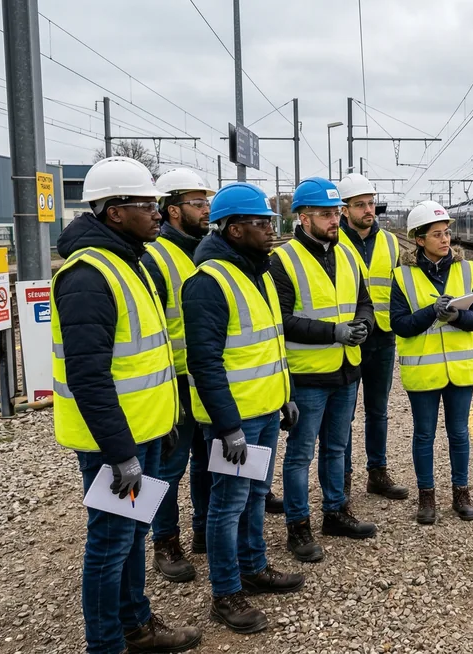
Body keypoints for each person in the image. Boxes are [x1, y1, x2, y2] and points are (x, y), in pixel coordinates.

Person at [51, 156, 201, 653]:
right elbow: (88, 377)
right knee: (110, 544)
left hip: (148, 431)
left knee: (132, 537)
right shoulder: (89, 276)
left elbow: (145, 359)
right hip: (116, 443)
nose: (157, 213)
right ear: (115, 212)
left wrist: (168, 416)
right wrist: (120, 453)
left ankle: (136, 625)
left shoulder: (130, 261)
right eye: (146, 204)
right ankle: (106, 643)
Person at [182, 182, 304, 634]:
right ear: (234, 229)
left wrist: (285, 394)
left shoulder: (259, 272)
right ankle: (225, 592)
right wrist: (228, 426)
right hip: (234, 419)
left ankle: (253, 567)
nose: (271, 230)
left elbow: (271, 344)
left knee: (254, 496)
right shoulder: (208, 283)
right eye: (261, 223)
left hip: (265, 409)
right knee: (226, 504)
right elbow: (205, 363)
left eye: (270, 222)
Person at [270, 177, 378, 557]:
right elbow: (281, 319)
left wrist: (362, 323)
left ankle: (335, 511)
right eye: (326, 214)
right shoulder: (282, 260)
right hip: (308, 374)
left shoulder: (347, 254)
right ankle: (297, 527)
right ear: (302, 217)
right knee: (300, 454)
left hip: (347, 370)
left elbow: (363, 301)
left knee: (337, 447)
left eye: (336, 213)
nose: (334, 220)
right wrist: (334, 331)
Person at [389, 201, 473, 525]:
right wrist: (432, 311)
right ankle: (426, 497)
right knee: (424, 435)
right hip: (423, 370)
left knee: (459, 433)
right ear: (419, 239)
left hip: (460, 370)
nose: (445, 240)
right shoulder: (402, 276)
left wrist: (457, 315)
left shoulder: (466, 270)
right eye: (436, 234)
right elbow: (399, 324)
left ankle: (462, 493)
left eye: (446, 233)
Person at [140, 168, 214, 583]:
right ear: (173, 210)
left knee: (208, 459)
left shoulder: (204, 249)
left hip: (206, 373)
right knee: (170, 466)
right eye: (197, 203)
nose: (206, 210)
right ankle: (164, 541)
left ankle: (204, 530)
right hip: (175, 380)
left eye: (207, 202)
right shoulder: (155, 257)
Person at [336, 173, 408, 503]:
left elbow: (403, 285)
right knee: (344, 414)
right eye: (360, 205)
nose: (368, 210)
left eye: (371, 203)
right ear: (344, 209)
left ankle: (377, 473)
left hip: (382, 336)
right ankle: (344, 478)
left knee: (377, 410)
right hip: (347, 337)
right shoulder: (333, 240)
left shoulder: (391, 242)